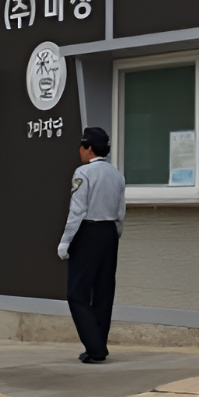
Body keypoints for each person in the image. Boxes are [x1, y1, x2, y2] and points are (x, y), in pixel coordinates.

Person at [57, 127, 126, 363]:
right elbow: (120, 212)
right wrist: (114, 235)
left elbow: (77, 210)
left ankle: (95, 347)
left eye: (81, 146)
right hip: (109, 233)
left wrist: (65, 241)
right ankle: (98, 344)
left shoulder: (83, 172)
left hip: (87, 232)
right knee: (104, 292)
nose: (79, 150)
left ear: (88, 148)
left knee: (76, 292)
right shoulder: (116, 174)